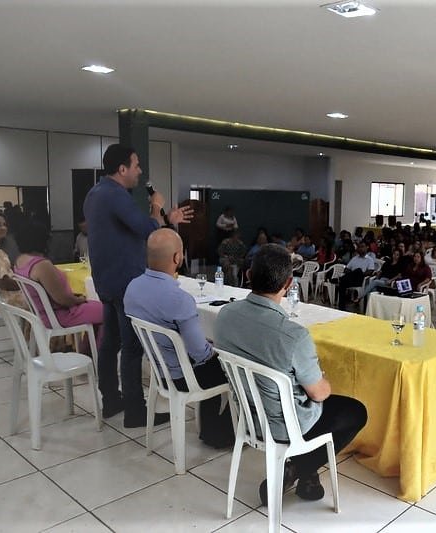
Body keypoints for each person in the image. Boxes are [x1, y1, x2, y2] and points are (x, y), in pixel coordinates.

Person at [215, 244, 367, 504]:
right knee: (355, 411)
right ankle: (300, 468)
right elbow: (319, 394)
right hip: (285, 425)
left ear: (249, 275)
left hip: (249, 416)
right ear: (288, 283)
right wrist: (322, 378)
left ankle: (301, 473)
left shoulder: (225, 315)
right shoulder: (293, 335)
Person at [83, 143, 192, 427]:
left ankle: (110, 399)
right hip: (125, 283)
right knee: (131, 347)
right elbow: (148, 231)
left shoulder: (95, 194)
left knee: (110, 343)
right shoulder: (116, 196)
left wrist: (166, 219)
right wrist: (157, 207)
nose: (139, 171)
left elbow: (134, 229)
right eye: (136, 165)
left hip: (106, 280)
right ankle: (134, 410)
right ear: (122, 169)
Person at [124, 229, 234, 448]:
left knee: (210, 356)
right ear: (178, 257)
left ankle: (210, 425)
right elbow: (200, 355)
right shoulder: (179, 299)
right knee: (233, 368)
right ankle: (218, 432)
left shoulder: (132, 287)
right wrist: (216, 351)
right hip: (182, 376)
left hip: (159, 370)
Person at [13, 220, 102, 350]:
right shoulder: (42, 265)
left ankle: (89, 351)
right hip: (59, 315)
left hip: (42, 312)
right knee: (109, 312)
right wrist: (80, 300)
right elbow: (63, 300)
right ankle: (98, 356)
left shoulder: (20, 260)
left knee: (99, 311)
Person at [336, 242, 377, 309]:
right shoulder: (355, 258)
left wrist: (358, 273)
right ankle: (341, 307)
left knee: (358, 270)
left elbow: (370, 271)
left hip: (360, 280)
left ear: (367, 247)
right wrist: (353, 273)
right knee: (342, 283)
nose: (360, 249)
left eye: (362, 247)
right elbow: (346, 269)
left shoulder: (370, 259)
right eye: (359, 247)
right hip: (350, 279)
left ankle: (339, 279)